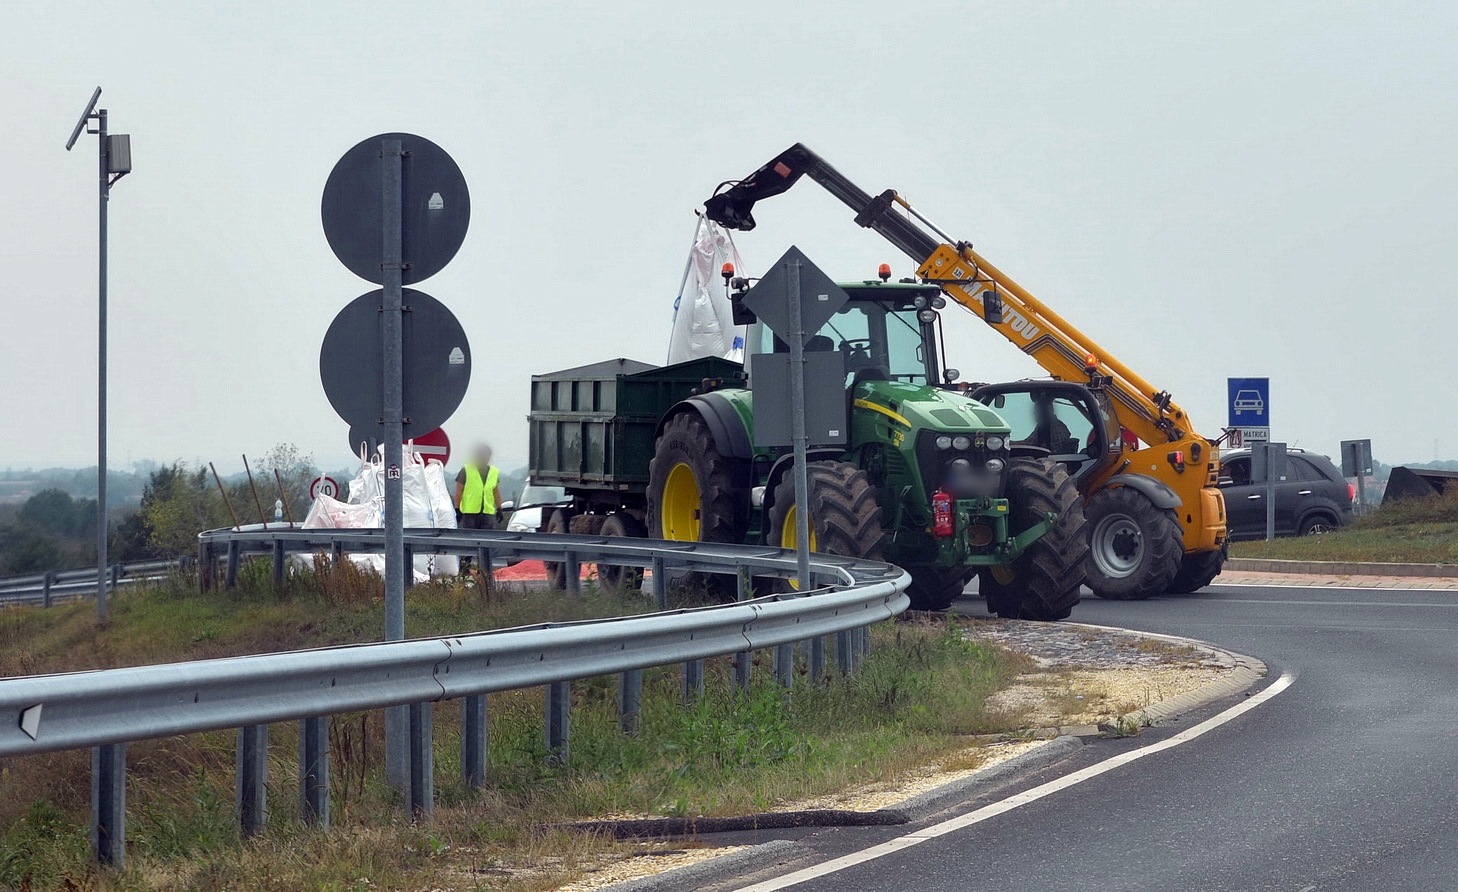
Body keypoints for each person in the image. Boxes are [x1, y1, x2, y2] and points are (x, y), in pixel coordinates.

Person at [455, 444, 503, 530]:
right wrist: (457, 509)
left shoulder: (494, 472)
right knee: (470, 536)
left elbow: (496, 492)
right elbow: (459, 492)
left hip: (487, 513)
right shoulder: (467, 469)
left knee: (487, 536)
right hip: (469, 513)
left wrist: (499, 508)